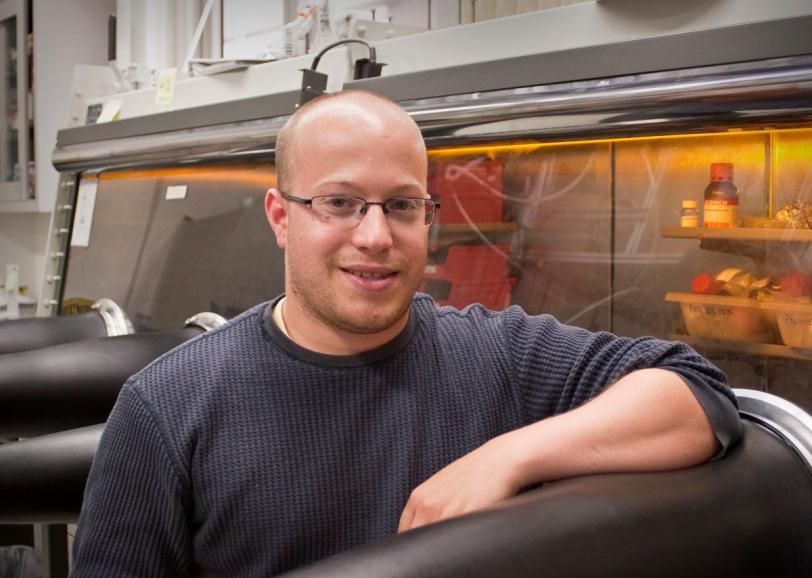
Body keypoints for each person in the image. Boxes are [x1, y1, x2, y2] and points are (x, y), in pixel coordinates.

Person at [70, 90, 741, 577]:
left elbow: (697, 395)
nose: (375, 236)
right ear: (281, 217)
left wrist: (507, 457)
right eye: (339, 203)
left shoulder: (496, 353)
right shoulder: (166, 408)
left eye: (401, 206)